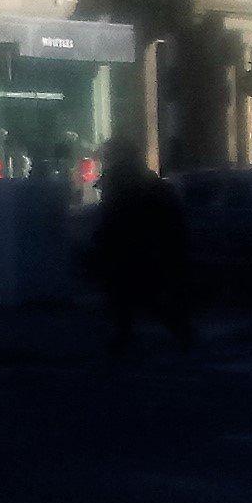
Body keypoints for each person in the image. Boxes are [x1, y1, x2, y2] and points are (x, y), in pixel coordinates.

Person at [85, 139, 195, 354]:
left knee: (134, 296)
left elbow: (113, 216)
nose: (106, 161)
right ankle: (176, 333)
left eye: (109, 156)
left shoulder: (126, 181)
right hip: (138, 248)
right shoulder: (147, 181)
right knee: (138, 297)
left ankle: (129, 338)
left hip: (131, 248)